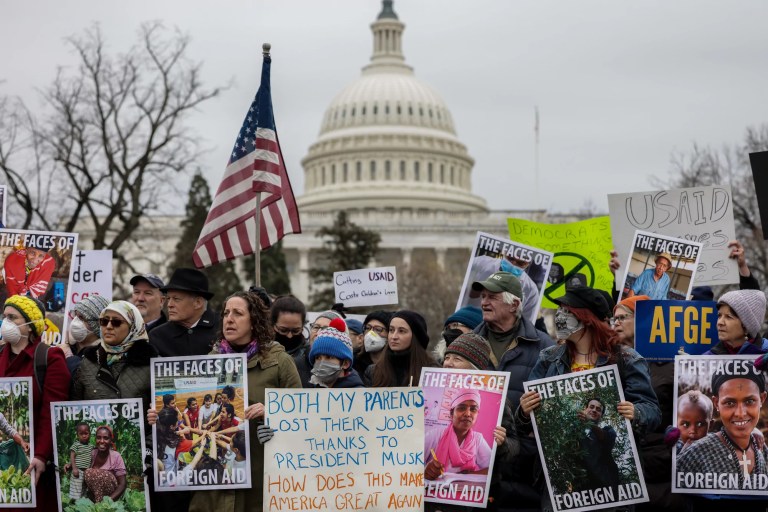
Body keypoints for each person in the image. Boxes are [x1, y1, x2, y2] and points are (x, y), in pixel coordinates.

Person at [518, 285, 661, 508]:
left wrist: (637, 412)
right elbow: (527, 421)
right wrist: (525, 411)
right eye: (559, 311)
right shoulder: (548, 357)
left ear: (586, 319)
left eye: (567, 311)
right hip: (561, 482)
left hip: (608, 488)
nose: (560, 317)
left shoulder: (628, 359)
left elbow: (652, 410)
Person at [186, 290, 302, 512]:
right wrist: (158, 418)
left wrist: (271, 411)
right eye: (226, 313)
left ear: (254, 321)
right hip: (216, 486)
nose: (229, 319)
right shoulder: (208, 363)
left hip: (262, 482)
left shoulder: (280, 361)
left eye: (238, 313)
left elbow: (302, 416)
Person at [0, 295, 69, 512]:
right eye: (4, 317)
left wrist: (40, 454)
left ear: (31, 326)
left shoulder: (50, 358)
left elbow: (52, 413)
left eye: (13, 318)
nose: (6, 323)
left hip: (34, 465)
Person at [677, 363, 768, 489]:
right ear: (716, 403)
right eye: (730, 403)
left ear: (762, 399)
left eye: (750, 401)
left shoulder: (761, 449)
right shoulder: (696, 453)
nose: (740, 413)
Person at [72, 301, 157, 433]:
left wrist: (148, 449)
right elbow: (74, 410)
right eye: (104, 321)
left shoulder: (151, 363)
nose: (109, 326)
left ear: (132, 326)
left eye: (116, 322)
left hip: (139, 450)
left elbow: (161, 418)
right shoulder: (88, 361)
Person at [149, 268, 219, 357]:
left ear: (198, 303)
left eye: (176, 299)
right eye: (168, 298)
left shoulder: (224, 328)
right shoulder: (157, 336)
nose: (169, 305)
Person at [424, 390, 492, 477]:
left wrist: (469, 474)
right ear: (451, 414)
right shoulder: (435, 435)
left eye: (473, 409)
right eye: (462, 408)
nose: (468, 414)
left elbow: (492, 469)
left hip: (464, 489)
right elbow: (410, 463)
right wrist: (425, 470)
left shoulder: (478, 439)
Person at [371, 310, 437, 387]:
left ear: (415, 337)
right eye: (391, 330)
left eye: (401, 331)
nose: (394, 336)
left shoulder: (433, 371)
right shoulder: (373, 371)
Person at [576, 398, 620, 491]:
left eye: (598, 409)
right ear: (585, 409)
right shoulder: (575, 432)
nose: (594, 410)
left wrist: (589, 422)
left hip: (607, 487)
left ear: (601, 416)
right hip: (582, 490)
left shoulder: (608, 430)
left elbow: (605, 437)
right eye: (591, 407)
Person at [705, 289, 768, 355]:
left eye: (728, 317)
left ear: (746, 326)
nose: (720, 322)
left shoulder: (764, 356)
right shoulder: (708, 360)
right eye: (719, 315)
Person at [61, 294, 110, 377]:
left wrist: (69, 357)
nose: (75, 321)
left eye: (82, 318)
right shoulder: (66, 346)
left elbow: (83, 378)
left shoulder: (103, 355)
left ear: (96, 325)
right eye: (75, 315)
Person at [307, 318, 364, 388]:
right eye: (317, 357)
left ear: (345, 363)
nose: (321, 363)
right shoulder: (310, 392)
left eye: (329, 357)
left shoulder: (359, 394)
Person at [354, 310, 391, 386]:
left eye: (378, 329)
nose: (371, 333)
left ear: (389, 334)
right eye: (368, 328)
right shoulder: (354, 362)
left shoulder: (397, 364)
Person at [67, 422, 92, 500]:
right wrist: (74, 468)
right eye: (81, 434)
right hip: (78, 470)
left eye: (86, 433)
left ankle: (81, 504)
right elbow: (72, 456)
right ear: (77, 435)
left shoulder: (91, 446)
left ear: (90, 434)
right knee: (76, 489)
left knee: (84, 489)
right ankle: (74, 504)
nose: (84, 436)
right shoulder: (76, 445)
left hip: (87, 472)